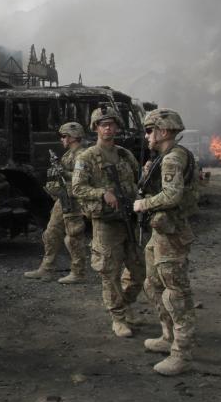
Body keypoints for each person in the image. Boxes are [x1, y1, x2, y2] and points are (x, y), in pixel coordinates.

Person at [133, 109, 199, 376]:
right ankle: (167, 335)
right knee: (152, 283)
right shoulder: (165, 158)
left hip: (171, 235)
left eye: (150, 130)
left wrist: (143, 204)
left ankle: (181, 354)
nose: (147, 135)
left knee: (176, 294)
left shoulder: (172, 158)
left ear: (163, 131)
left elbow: (171, 196)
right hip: (160, 232)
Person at [71, 105, 143, 338]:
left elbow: (138, 181)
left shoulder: (125, 154)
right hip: (106, 223)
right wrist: (102, 192)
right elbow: (78, 187)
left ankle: (127, 302)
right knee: (109, 272)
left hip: (129, 219)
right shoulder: (87, 157)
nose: (109, 128)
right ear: (96, 128)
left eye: (112, 124)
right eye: (104, 125)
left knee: (139, 270)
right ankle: (118, 317)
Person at [24, 122, 89, 284]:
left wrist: (64, 173)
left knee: (73, 236)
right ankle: (47, 269)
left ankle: (78, 272)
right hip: (63, 198)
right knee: (51, 233)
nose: (62, 140)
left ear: (72, 137)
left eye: (64, 136)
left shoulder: (83, 155)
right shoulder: (68, 155)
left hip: (73, 200)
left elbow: (84, 178)